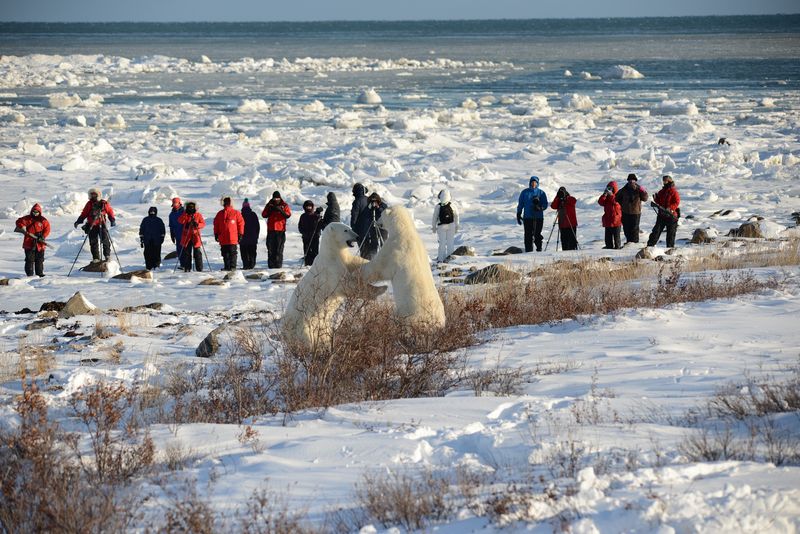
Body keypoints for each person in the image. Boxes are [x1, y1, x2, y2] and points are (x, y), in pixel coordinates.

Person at [73, 188, 116, 263]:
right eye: (92, 194)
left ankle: (107, 256)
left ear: (98, 195)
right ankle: (96, 258)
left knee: (105, 240)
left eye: (95, 194)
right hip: (91, 225)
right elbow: (84, 213)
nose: (93, 196)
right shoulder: (89, 204)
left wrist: (112, 220)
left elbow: (110, 211)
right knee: (93, 242)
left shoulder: (104, 203)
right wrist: (78, 221)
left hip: (102, 224)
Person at [15, 203, 50, 277]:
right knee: (29, 260)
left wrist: (43, 236)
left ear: (39, 212)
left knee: (39, 260)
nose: (35, 214)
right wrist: (22, 227)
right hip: (29, 243)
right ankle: (30, 275)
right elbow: (18, 221)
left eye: (37, 212)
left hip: (40, 244)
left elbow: (47, 229)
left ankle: (39, 274)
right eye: (34, 212)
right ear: (31, 211)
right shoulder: (27, 219)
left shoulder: (43, 220)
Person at [647, 175, 681, 248]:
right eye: (663, 181)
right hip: (662, 215)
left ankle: (670, 250)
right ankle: (649, 247)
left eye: (665, 181)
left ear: (669, 181)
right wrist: (656, 199)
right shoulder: (661, 191)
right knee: (656, 232)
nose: (664, 182)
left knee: (670, 235)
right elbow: (659, 202)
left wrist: (670, 208)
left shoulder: (674, 192)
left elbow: (677, 202)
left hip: (671, 216)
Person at [516, 175, 548, 252]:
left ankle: (539, 249)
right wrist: (518, 213)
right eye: (532, 182)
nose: (533, 184)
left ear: (537, 183)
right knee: (528, 235)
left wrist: (540, 208)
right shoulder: (524, 192)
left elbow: (545, 204)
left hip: (538, 217)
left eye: (535, 182)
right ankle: (528, 251)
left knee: (537, 234)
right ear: (530, 183)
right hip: (527, 217)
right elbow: (521, 204)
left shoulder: (541, 193)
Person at [615, 173, 649, 244]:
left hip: (635, 213)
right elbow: (617, 197)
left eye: (633, 180)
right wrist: (623, 204)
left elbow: (645, 198)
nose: (631, 182)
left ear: (635, 181)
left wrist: (642, 190)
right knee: (626, 229)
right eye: (630, 180)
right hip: (625, 212)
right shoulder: (624, 189)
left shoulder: (639, 189)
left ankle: (635, 244)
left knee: (634, 229)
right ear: (628, 181)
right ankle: (629, 243)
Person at [213, 197, 245, 271]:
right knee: (225, 253)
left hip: (232, 237)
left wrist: (240, 233)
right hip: (223, 237)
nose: (226, 203)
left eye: (228, 201)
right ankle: (227, 267)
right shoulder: (220, 214)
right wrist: (216, 233)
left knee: (232, 253)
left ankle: (232, 267)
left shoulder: (236, 213)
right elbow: (216, 224)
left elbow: (241, 224)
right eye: (225, 202)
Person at [262, 191, 291, 268]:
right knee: (271, 249)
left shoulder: (284, 205)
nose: (276, 199)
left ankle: (278, 265)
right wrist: (271, 210)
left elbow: (288, 215)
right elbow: (264, 214)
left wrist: (280, 210)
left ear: (280, 197)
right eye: (275, 198)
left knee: (279, 249)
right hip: (271, 230)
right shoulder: (269, 205)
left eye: (278, 198)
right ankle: (271, 266)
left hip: (280, 230)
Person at [355, 191, 388, 260]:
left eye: (375, 201)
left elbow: (384, 213)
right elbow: (366, 216)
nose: (374, 202)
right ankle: (373, 258)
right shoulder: (369, 207)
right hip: (373, 227)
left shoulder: (383, 205)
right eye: (372, 201)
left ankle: (385, 258)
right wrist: (369, 208)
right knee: (374, 244)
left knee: (383, 244)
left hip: (383, 227)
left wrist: (378, 207)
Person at [431, 189, 459, 262]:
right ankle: (450, 259)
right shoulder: (452, 205)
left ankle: (441, 259)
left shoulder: (438, 206)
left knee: (442, 243)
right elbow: (456, 215)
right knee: (450, 243)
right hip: (451, 225)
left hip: (441, 226)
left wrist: (433, 227)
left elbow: (435, 217)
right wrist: (457, 225)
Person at [177, 201, 205, 272]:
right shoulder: (185, 214)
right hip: (187, 236)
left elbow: (203, 224)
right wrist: (186, 215)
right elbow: (180, 220)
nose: (191, 208)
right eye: (189, 207)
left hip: (196, 236)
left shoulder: (198, 215)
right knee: (187, 253)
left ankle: (199, 269)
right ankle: (187, 268)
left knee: (197, 253)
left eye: (192, 207)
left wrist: (197, 225)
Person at [550, 186, 578, 251]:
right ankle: (565, 253)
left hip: (571, 223)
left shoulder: (570, 198)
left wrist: (566, 198)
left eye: (563, 192)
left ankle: (573, 252)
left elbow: (574, 201)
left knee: (572, 240)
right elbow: (553, 206)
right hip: (562, 224)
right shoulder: (558, 200)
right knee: (564, 240)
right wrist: (557, 197)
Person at [598, 181, 622, 249]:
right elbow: (600, 202)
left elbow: (616, 202)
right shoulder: (607, 198)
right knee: (608, 238)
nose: (609, 190)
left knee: (616, 238)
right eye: (608, 188)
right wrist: (604, 195)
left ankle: (618, 248)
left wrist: (611, 195)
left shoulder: (617, 196)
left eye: (611, 188)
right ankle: (609, 249)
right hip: (608, 220)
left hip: (616, 220)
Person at [298, 200, 323, 266]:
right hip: (306, 237)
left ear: (312, 207)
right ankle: (307, 265)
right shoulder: (303, 216)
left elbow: (320, 226)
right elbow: (300, 226)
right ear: (305, 207)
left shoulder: (316, 215)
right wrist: (304, 232)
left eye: (310, 207)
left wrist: (319, 216)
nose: (309, 208)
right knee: (307, 252)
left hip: (314, 237)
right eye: (307, 207)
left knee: (315, 252)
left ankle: (316, 265)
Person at [240, 198, 260, 269]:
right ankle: (252, 264)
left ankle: (246, 265)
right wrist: (256, 236)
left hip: (243, 238)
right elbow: (257, 226)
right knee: (252, 252)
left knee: (244, 253)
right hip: (252, 238)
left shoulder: (240, 215)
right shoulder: (253, 214)